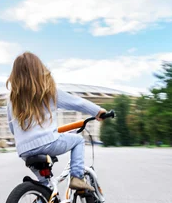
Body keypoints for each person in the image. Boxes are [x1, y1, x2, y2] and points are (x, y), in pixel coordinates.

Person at [6, 52, 106, 192]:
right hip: (48, 143)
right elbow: (76, 102)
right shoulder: (48, 91)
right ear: (39, 70)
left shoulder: (12, 99)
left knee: (45, 186)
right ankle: (77, 177)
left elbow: (12, 128)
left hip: (24, 150)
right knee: (78, 140)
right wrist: (98, 111)